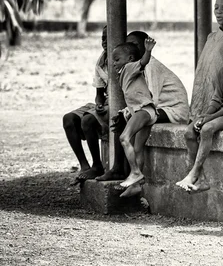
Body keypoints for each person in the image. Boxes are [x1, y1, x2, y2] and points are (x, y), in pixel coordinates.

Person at [96, 30, 189, 189]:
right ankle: (135, 184)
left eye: (134, 45)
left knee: (126, 135)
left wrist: (128, 116)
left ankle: (130, 173)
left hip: (173, 110)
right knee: (136, 144)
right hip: (154, 109)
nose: (130, 48)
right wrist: (126, 113)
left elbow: (152, 98)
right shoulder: (130, 69)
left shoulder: (150, 66)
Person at [176, 28, 223, 193]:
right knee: (189, 131)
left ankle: (194, 172)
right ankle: (201, 179)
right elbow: (217, 98)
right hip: (220, 112)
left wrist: (209, 118)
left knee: (207, 128)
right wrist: (205, 114)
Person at [63, 26, 108, 184]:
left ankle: (97, 165)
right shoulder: (101, 61)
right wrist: (99, 104)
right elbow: (99, 94)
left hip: (119, 105)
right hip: (107, 103)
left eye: (108, 38)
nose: (104, 42)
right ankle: (84, 165)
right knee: (68, 119)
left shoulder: (126, 59)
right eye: (102, 38)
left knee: (87, 120)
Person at [111, 38, 157, 189]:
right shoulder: (125, 72)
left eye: (117, 59)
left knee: (124, 138)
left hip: (143, 110)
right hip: (147, 112)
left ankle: (136, 173)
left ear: (129, 59)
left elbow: (143, 62)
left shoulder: (130, 67)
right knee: (138, 148)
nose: (114, 63)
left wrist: (148, 50)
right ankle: (137, 184)